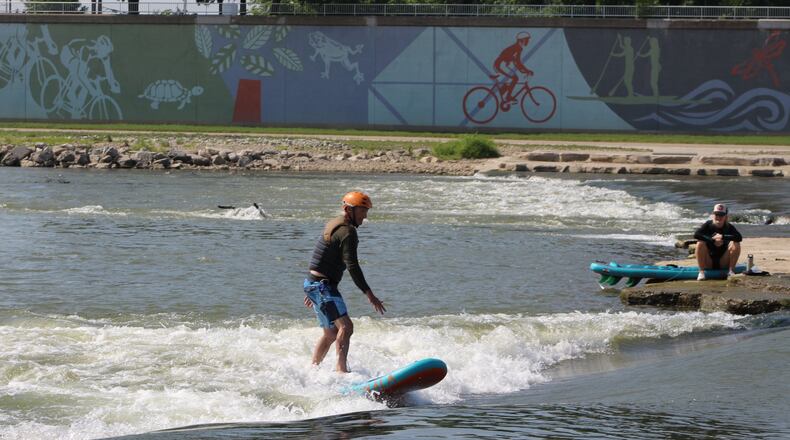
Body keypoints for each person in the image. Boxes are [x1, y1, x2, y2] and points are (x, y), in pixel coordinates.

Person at [303, 191, 386, 373]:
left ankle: (312, 370)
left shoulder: (334, 223)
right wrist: (369, 294)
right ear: (349, 210)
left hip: (314, 284)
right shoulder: (348, 232)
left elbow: (321, 259)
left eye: (366, 211)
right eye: (362, 211)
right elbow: (352, 266)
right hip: (321, 286)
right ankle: (341, 372)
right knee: (346, 327)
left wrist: (311, 289)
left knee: (331, 333)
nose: (365, 216)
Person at [694, 203, 742, 280]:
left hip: (723, 261)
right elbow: (696, 234)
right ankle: (701, 272)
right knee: (700, 242)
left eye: (721, 215)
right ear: (713, 215)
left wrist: (722, 237)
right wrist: (713, 240)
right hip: (708, 261)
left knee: (736, 243)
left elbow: (739, 237)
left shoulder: (729, 227)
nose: (719, 217)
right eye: (717, 215)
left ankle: (731, 272)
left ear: (726, 217)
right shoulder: (708, 224)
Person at [492, 31, 534, 105]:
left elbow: (517, 63)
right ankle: (507, 97)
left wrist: (524, 71)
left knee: (512, 80)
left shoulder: (518, 48)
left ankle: (503, 94)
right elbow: (518, 62)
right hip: (500, 64)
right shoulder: (517, 48)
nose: (528, 41)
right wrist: (527, 70)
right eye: (526, 40)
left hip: (502, 64)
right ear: (521, 40)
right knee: (515, 78)